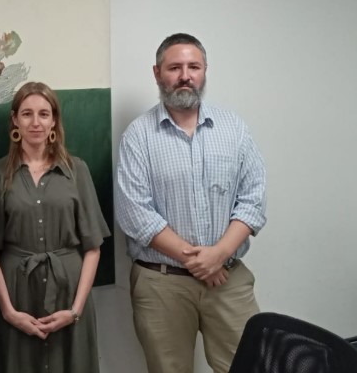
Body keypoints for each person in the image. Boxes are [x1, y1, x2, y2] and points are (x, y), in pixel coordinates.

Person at [114, 33, 267, 373]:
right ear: (157, 73)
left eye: (193, 67)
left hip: (228, 279)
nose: (185, 75)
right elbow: (136, 214)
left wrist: (219, 255)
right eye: (175, 68)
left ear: (204, 71)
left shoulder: (234, 128)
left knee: (251, 366)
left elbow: (253, 199)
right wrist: (200, 261)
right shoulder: (138, 136)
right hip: (162, 284)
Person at [0, 81, 110, 373]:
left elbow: (93, 249)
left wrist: (75, 310)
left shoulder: (77, 170)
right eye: (27, 114)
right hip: (17, 293)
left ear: (54, 120)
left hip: (69, 293)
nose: (35, 122)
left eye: (44, 114)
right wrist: (8, 312)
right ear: (15, 120)